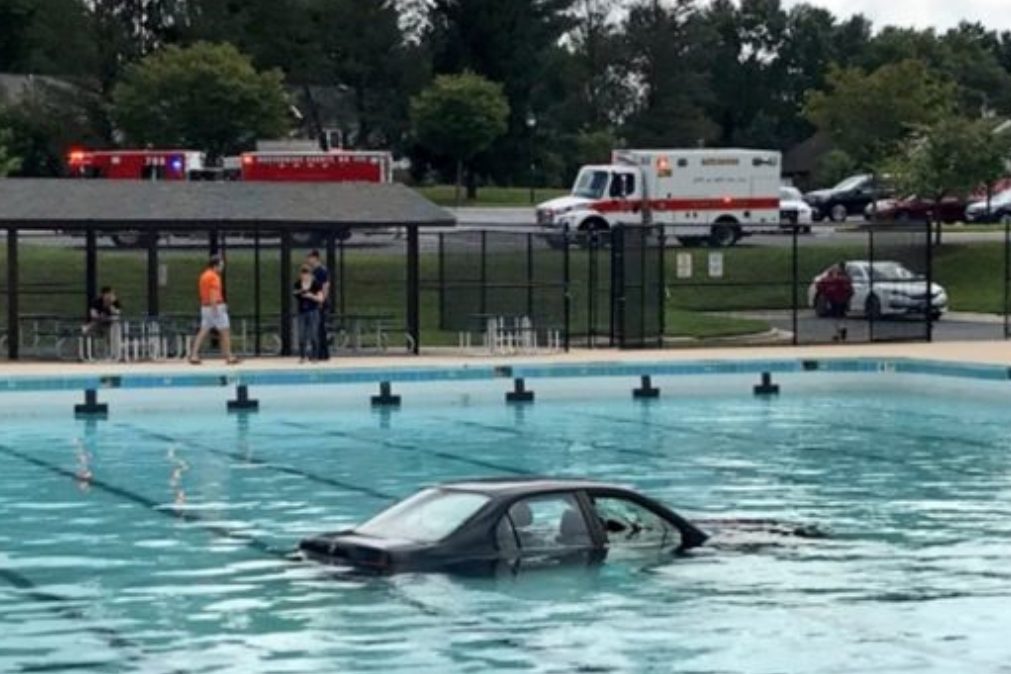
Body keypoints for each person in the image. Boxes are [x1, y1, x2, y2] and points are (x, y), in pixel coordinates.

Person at [189, 255, 239, 365]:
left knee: (203, 331)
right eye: (221, 265)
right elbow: (213, 293)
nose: (222, 267)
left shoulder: (204, 276)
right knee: (225, 331)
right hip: (215, 307)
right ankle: (229, 356)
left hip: (205, 307)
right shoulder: (214, 277)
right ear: (215, 265)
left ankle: (194, 355)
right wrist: (216, 308)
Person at [293, 264, 325, 363]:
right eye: (303, 274)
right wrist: (299, 292)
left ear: (310, 275)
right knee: (302, 335)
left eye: (306, 274)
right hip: (302, 312)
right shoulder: (298, 284)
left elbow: (321, 299)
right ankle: (302, 356)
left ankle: (314, 356)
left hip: (313, 311)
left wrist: (311, 296)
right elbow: (295, 293)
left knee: (313, 334)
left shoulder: (316, 284)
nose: (304, 276)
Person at [817, 262, 854, 342]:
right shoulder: (846, 278)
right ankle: (841, 330)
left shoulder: (833, 279)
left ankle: (839, 332)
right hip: (841, 299)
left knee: (836, 316)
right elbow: (850, 290)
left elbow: (822, 286)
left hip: (835, 299)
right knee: (841, 315)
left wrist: (827, 295)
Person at [83, 286, 122, 359]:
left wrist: (111, 305)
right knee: (86, 331)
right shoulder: (97, 302)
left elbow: (117, 313)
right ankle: (87, 353)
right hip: (98, 323)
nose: (110, 296)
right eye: (108, 294)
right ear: (103, 294)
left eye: (111, 294)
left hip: (111, 324)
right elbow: (93, 314)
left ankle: (113, 354)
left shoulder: (115, 302)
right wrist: (99, 316)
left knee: (112, 335)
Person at [306, 250, 331, 360]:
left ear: (315, 258)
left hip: (319, 302)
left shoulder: (321, 271)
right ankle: (320, 352)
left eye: (310, 257)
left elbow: (325, 286)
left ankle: (321, 353)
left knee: (319, 328)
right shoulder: (314, 271)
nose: (308, 260)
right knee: (317, 328)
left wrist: (322, 301)